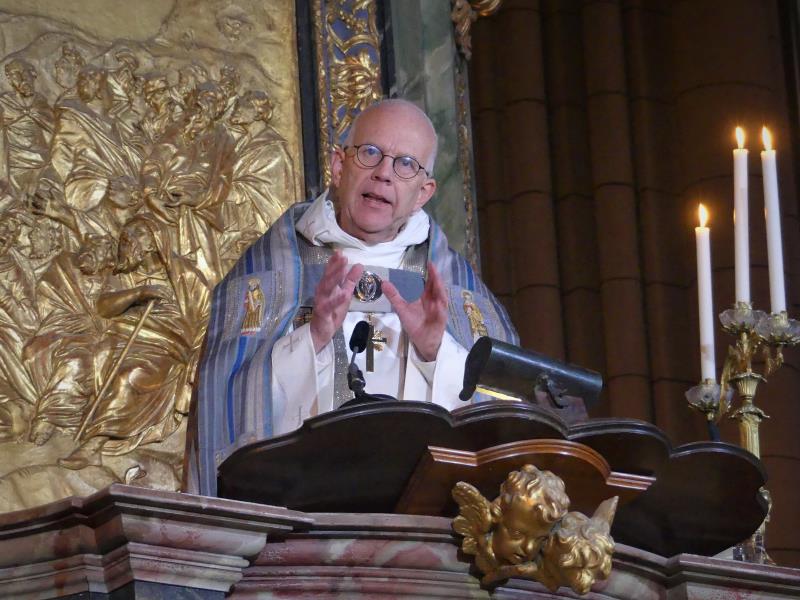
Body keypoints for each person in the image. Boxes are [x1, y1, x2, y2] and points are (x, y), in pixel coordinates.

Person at [185, 99, 517, 496]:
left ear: (424, 192)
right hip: (305, 512)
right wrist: (312, 339)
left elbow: (505, 431)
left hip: (420, 522)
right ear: (340, 166)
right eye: (371, 153)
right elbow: (229, 396)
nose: (383, 175)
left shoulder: (453, 287)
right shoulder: (275, 268)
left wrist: (436, 354)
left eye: (406, 164)